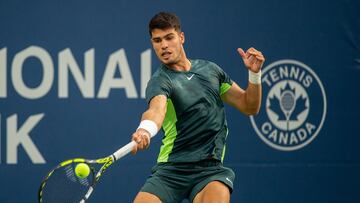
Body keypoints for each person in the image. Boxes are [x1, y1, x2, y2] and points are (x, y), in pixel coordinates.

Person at [131, 12, 265, 203]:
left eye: (169, 38)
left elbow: (249, 106)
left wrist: (254, 74)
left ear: (181, 37)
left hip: (209, 171)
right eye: (157, 40)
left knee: (218, 196)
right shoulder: (159, 81)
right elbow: (156, 111)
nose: (164, 45)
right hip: (171, 170)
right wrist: (144, 129)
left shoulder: (211, 71)